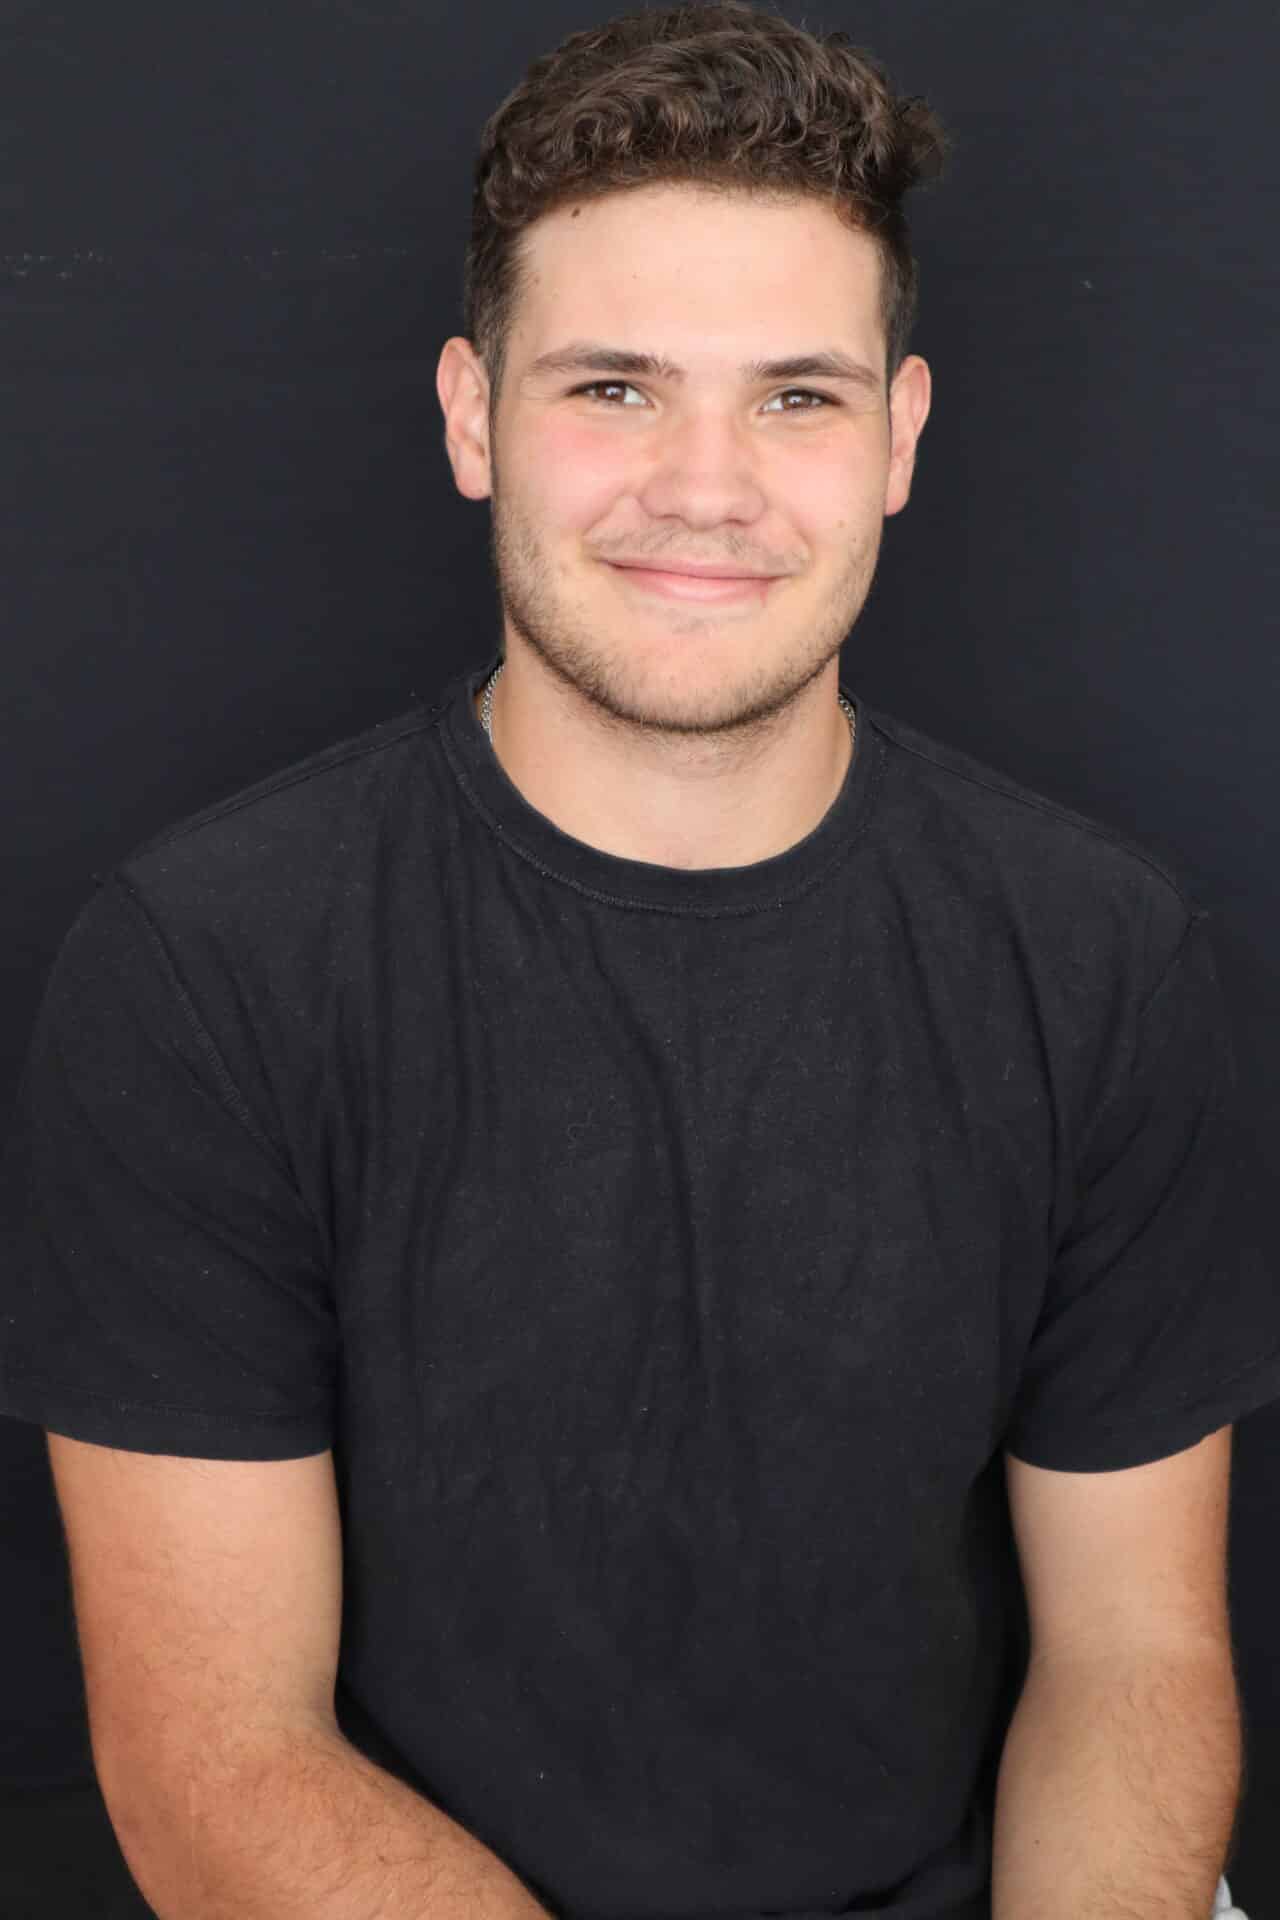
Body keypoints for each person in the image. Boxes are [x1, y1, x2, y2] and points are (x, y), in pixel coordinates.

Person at [0, 3, 1272, 1916]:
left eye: (797, 397)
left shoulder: (1103, 957)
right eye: (613, 387)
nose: (706, 487)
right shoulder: (205, 967)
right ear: (471, 417)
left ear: (900, 437)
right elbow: (215, 1757)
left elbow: (1136, 1661)